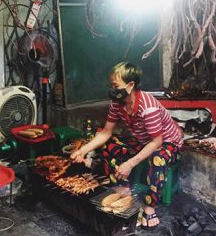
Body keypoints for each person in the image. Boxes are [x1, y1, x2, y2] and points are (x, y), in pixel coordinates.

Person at [71, 62, 183, 230]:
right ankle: (123, 187)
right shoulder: (117, 103)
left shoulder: (148, 107)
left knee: (157, 158)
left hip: (167, 142)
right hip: (143, 141)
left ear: (130, 85)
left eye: (115, 85)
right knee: (108, 144)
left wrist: (130, 163)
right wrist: (83, 149)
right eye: (111, 85)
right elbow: (106, 132)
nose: (112, 89)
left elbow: (157, 142)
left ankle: (149, 207)